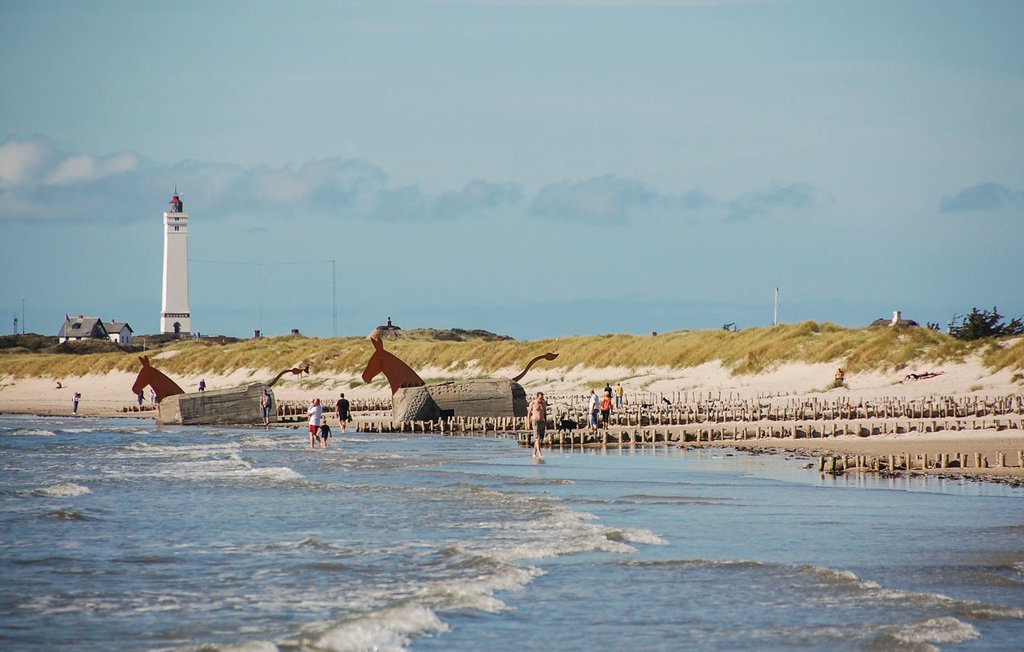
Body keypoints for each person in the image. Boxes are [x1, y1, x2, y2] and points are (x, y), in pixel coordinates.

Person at [527, 391, 547, 458]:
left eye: (542, 398)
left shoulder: (543, 403)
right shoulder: (533, 403)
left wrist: (545, 422)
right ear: (537, 397)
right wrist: (528, 423)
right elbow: (529, 413)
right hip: (535, 421)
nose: (541, 399)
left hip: (542, 422)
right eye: (540, 398)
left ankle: (534, 453)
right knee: (537, 438)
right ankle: (539, 453)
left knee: (540, 438)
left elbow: (545, 413)